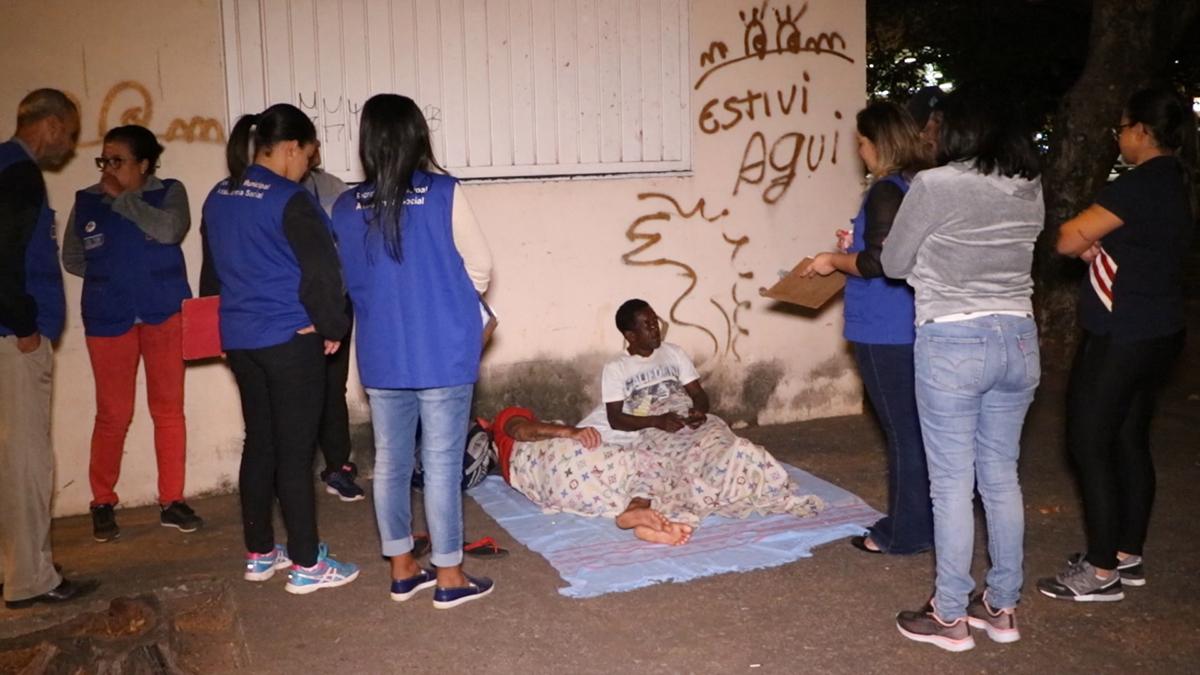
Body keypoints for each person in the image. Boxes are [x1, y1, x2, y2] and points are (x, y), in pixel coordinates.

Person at [881, 85, 1044, 651]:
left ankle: (949, 616)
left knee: (950, 485)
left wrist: (934, 258)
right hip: (1019, 338)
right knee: (1001, 477)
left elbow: (895, 262)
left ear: (959, 131)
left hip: (953, 337)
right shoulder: (1028, 184)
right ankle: (1001, 607)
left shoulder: (933, 184)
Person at [331, 93, 494, 609]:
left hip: (381, 354)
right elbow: (482, 268)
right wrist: (450, 301)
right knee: (442, 464)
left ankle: (402, 568)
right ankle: (449, 577)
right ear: (418, 135)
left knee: (392, 462)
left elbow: (345, 280)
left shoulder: (344, 205)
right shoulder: (443, 192)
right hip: (442, 349)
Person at [1037, 86, 1194, 603]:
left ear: (1142, 132)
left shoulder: (1140, 182)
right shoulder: (1176, 180)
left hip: (1122, 331)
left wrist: (1085, 239)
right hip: (1161, 329)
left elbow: (1066, 237)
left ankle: (1100, 570)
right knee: (1128, 436)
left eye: (1123, 127)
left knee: (1088, 439)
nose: (1119, 137)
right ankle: (1127, 553)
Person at [200, 103, 357, 594]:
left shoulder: (218, 195)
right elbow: (321, 272)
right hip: (290, 339)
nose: (307, 166)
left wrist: (220, 332)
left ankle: (260, 553)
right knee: (295, 453)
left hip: (240, 339)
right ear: (290, 148)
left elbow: (211, 273)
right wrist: (331, 325)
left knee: (260, 443)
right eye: (308, 156)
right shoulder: (290, 199)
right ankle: (309, 564)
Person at [799, 101, 933, 556]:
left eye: (860, 141)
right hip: (914, 322)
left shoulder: (885, 190)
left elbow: (878, 262)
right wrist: (852, 243)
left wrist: (831, 261)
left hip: (885, 328)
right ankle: (929, 520)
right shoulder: (920, 185)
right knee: (923, 429)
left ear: (878, 142)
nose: (858, 150)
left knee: (902, 432)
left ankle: (906, 530)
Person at [61, 125, 201, 542]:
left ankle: (171, 501)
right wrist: (112, 280)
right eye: (104, 160)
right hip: (108, 319)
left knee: (168, 411)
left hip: (164, 315)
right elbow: (73, 257)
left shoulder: (170, 193)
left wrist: (123, 199)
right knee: (112, 414)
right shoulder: (85, 201)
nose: (108, 168)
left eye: (118, 161)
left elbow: (170, 231)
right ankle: (102, 501)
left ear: (144, 164)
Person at [1, 88, 98, 608]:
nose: (69, 145)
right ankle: (32, 580)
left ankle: (14, 566)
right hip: (12, 340)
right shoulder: (19, 172)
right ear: (51, 125)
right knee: (26, 461)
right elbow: (4, 254)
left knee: (6, 459)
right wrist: (23, 324)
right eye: (70, 132)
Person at [300, 143, 364, 502]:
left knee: (332, 388)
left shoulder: (334, 188)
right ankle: (289, 475)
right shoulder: (274, 194)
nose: (316, 151)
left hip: (336, 299)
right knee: (295, 393)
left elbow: (350, 244)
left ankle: (338, 467)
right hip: (292, 305)